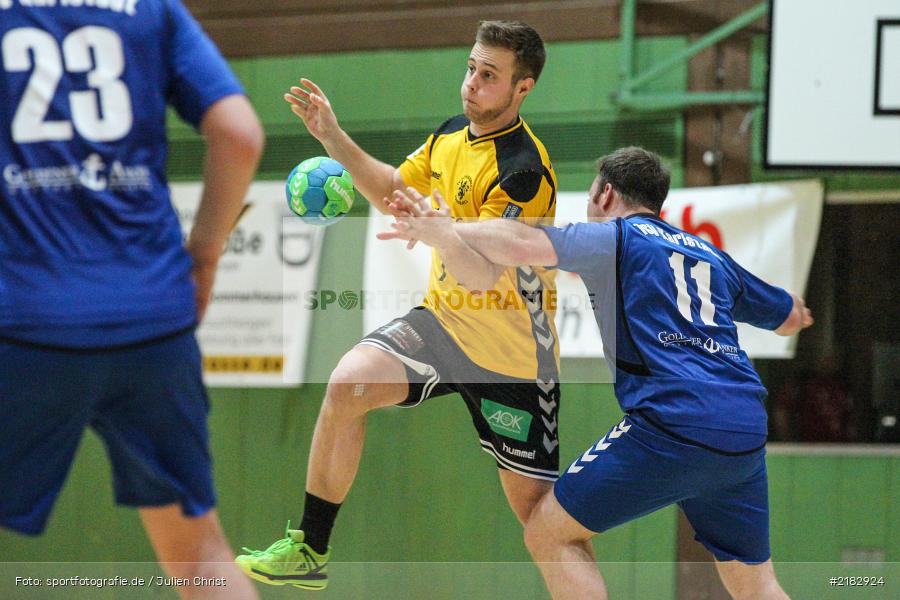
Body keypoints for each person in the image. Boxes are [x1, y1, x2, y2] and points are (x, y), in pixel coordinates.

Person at [380, 146, 813, 600]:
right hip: (743, 429)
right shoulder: (709, 254)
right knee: (755, 583)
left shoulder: (616, 238)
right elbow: (786, 315)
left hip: (673, 423)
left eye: (590, 195)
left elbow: (523, 243)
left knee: (548, 533)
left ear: (605, 194)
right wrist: (798, 312)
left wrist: (446, 228)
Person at [236, 20, 563, 590]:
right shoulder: (449, 136)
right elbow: (393, 187)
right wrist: (332, 138)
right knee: (347, 384)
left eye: (489, 76)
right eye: (470, 68)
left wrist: (439, 234)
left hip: (511, 360)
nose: (472, 84)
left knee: (539, 522)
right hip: (443, 325)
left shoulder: (523, 173)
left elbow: (485, 276)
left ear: (522, 89)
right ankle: (311, 548)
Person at [0, 2, 263, 599]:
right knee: (201, 555)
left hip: (25, 321)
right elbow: (240, 135)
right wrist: (205, 255)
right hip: (154, 319)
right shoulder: (153, 8)